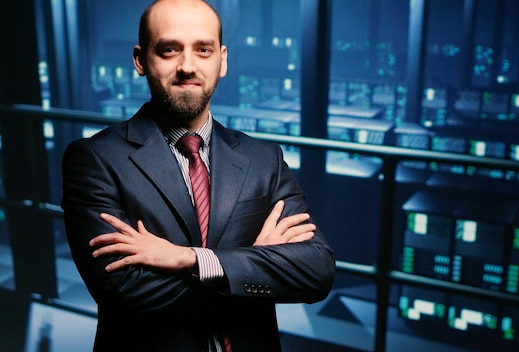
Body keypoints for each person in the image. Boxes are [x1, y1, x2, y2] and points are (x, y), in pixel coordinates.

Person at [61, 0, 335, 351]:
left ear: (222, 60)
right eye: (169, 50)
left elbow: (316, 270)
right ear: (140, 60)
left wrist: (190, 259)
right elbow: (124, 291)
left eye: (203, 50)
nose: (187, 66)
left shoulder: (264, 158)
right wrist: (251, 262)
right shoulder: (95, 160)